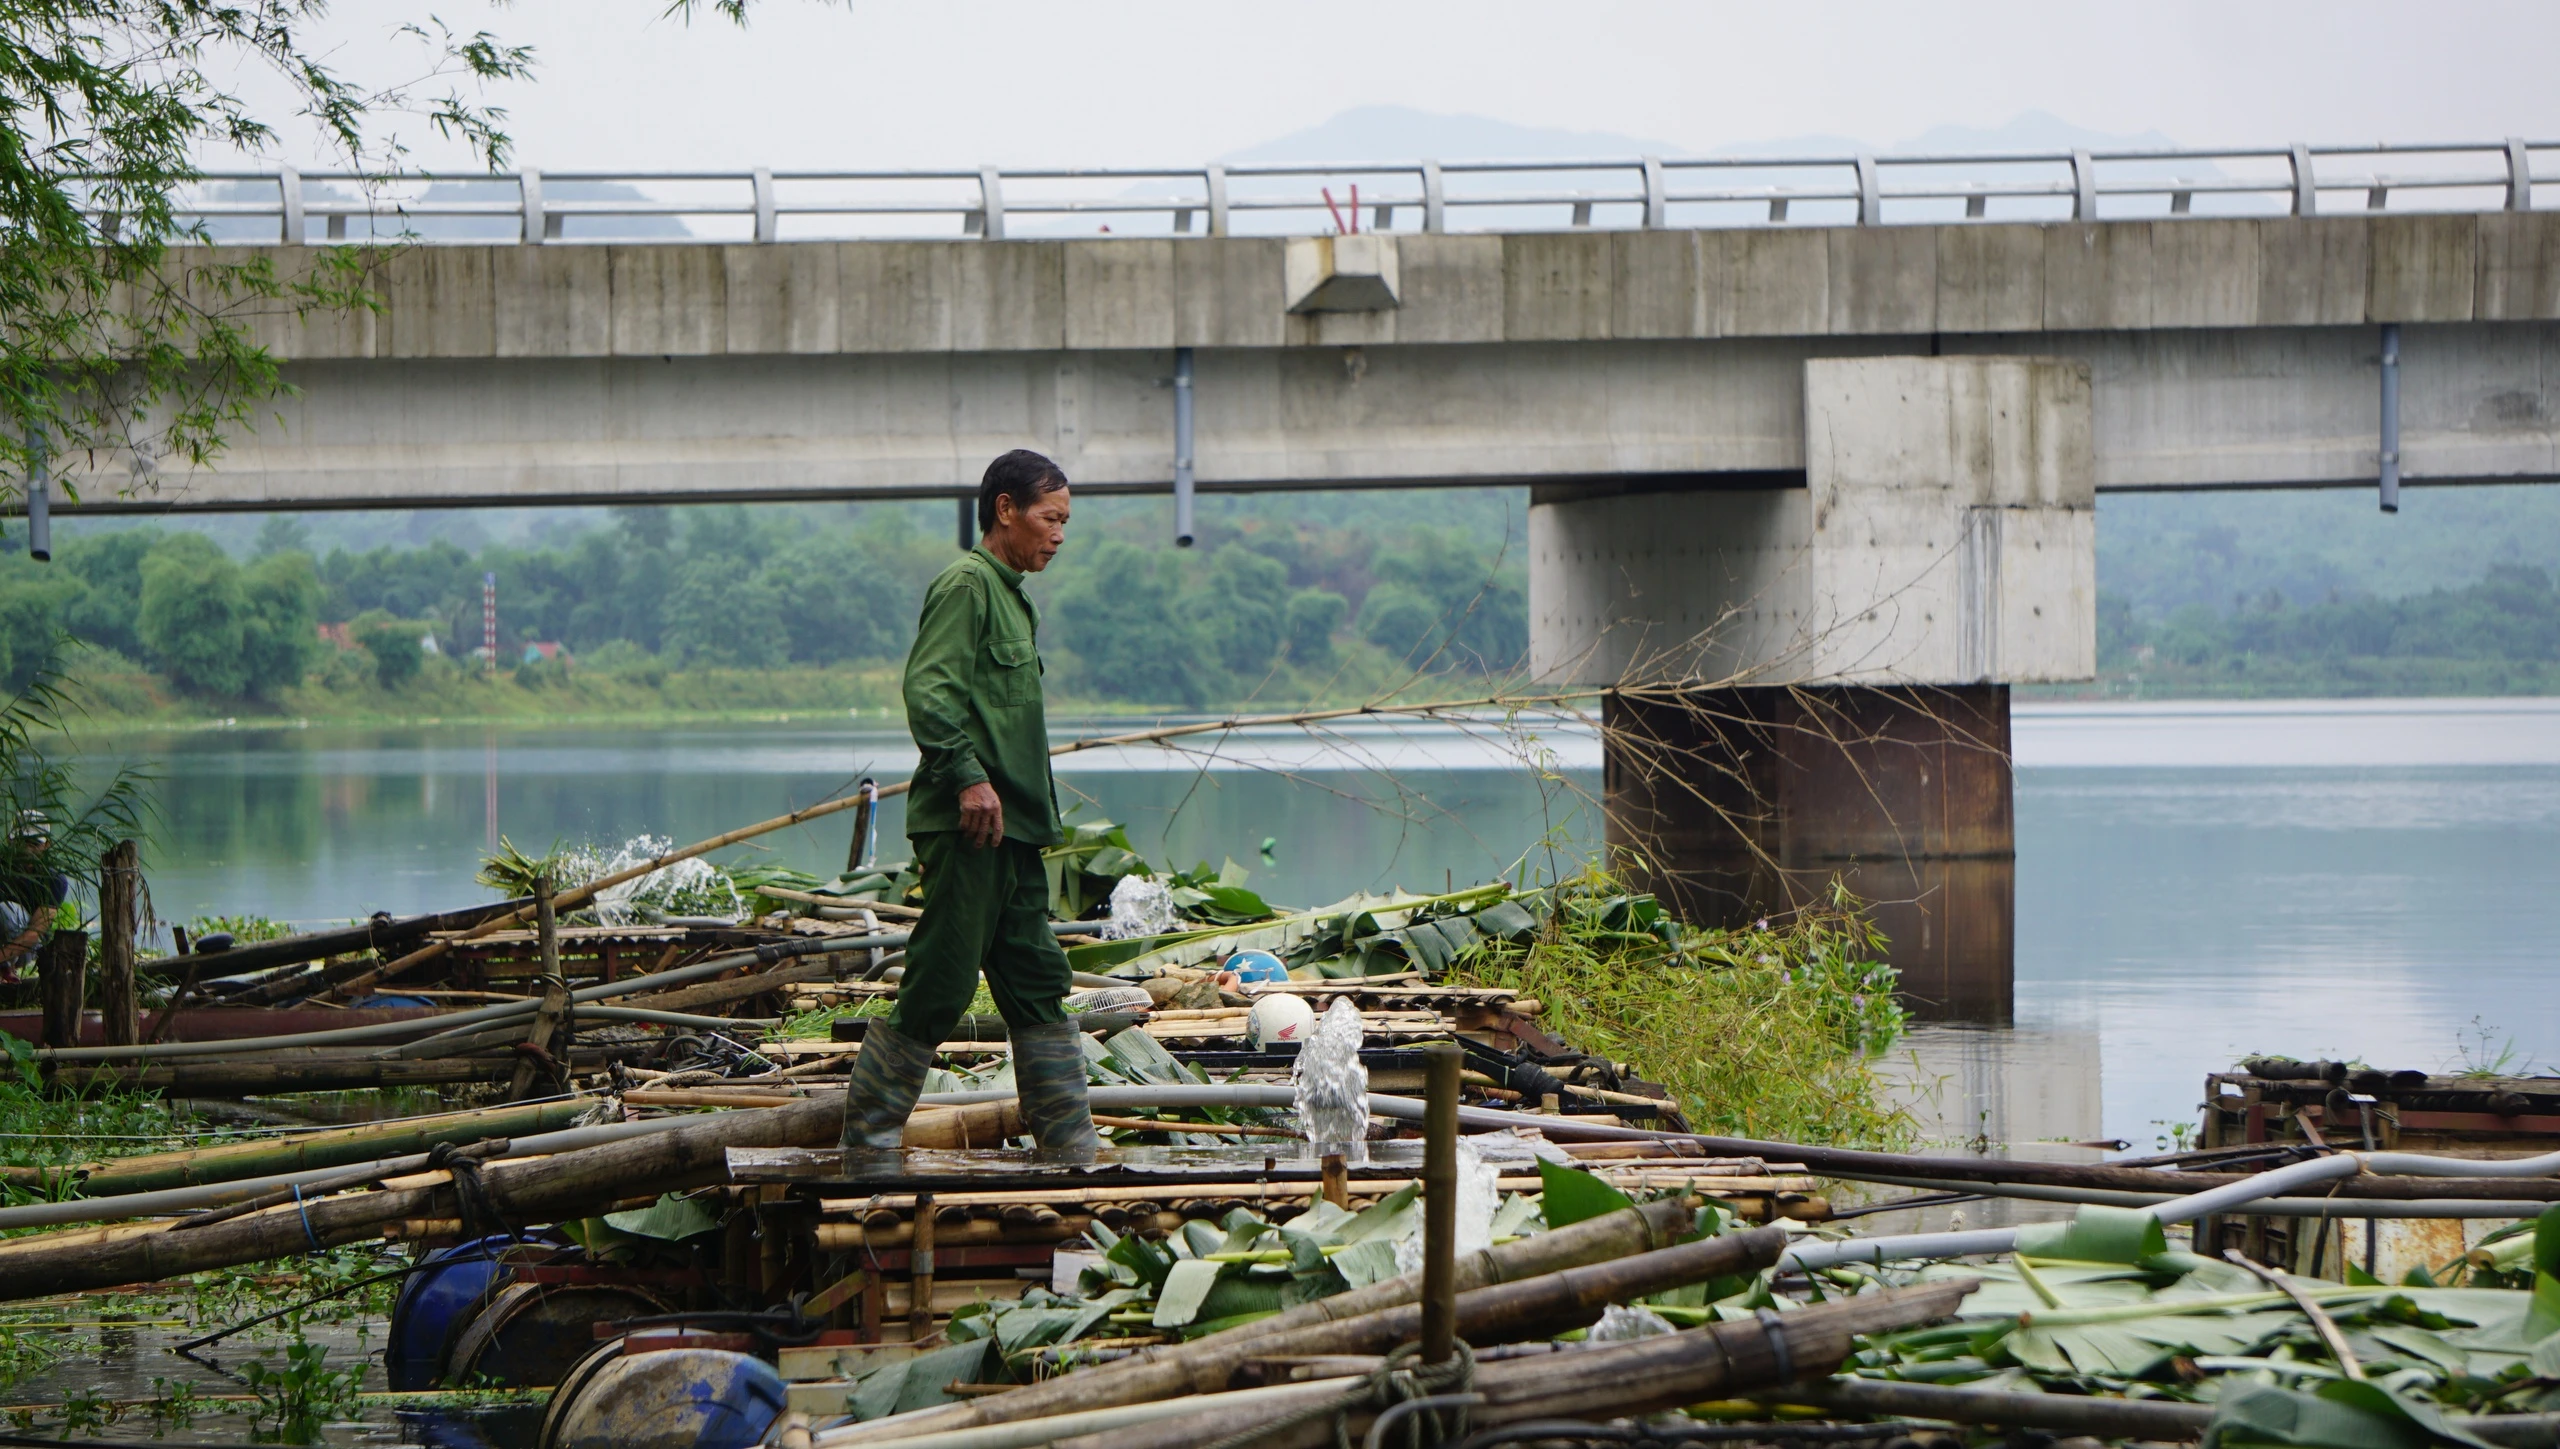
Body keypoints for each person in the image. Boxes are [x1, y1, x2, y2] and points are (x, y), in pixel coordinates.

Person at [839, 449, 1099, 1162]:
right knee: (943, 978)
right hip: (970, 825)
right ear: (1005, 509)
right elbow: (930, 692)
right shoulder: (966, 585)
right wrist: (966, 776)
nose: (1060, 534)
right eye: (1050, 517)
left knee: (1039, 978)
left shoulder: (1012, 595)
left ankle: (1072, 1149)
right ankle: (867, 1147)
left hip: (1012, 833)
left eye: (1066, 521)